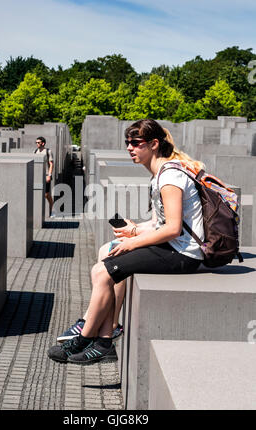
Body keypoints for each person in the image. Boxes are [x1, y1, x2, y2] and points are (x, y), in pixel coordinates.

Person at [47, 119, 205, 365]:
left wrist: (132, 244)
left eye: (136, 143)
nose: (130, 148)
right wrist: (135, 230)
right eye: (127, 143)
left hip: (183, 254)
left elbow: (173, 229)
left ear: (154, 144)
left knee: (101, 271)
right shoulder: (160, 174)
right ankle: (108, 332)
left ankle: (88, 339)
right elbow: (159, 223)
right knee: (106, 251)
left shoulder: (170, 177)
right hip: (173, 246)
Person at [34, 136, 55, 217]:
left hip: (46, 175)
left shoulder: (48, 151)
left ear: (43, 143)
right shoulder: (35, 151)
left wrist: (49, 175)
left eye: (38, 142)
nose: (37, 144)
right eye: (36, 142)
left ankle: (51, 210)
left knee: (46, 194)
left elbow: (51, 164)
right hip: (37, 175)